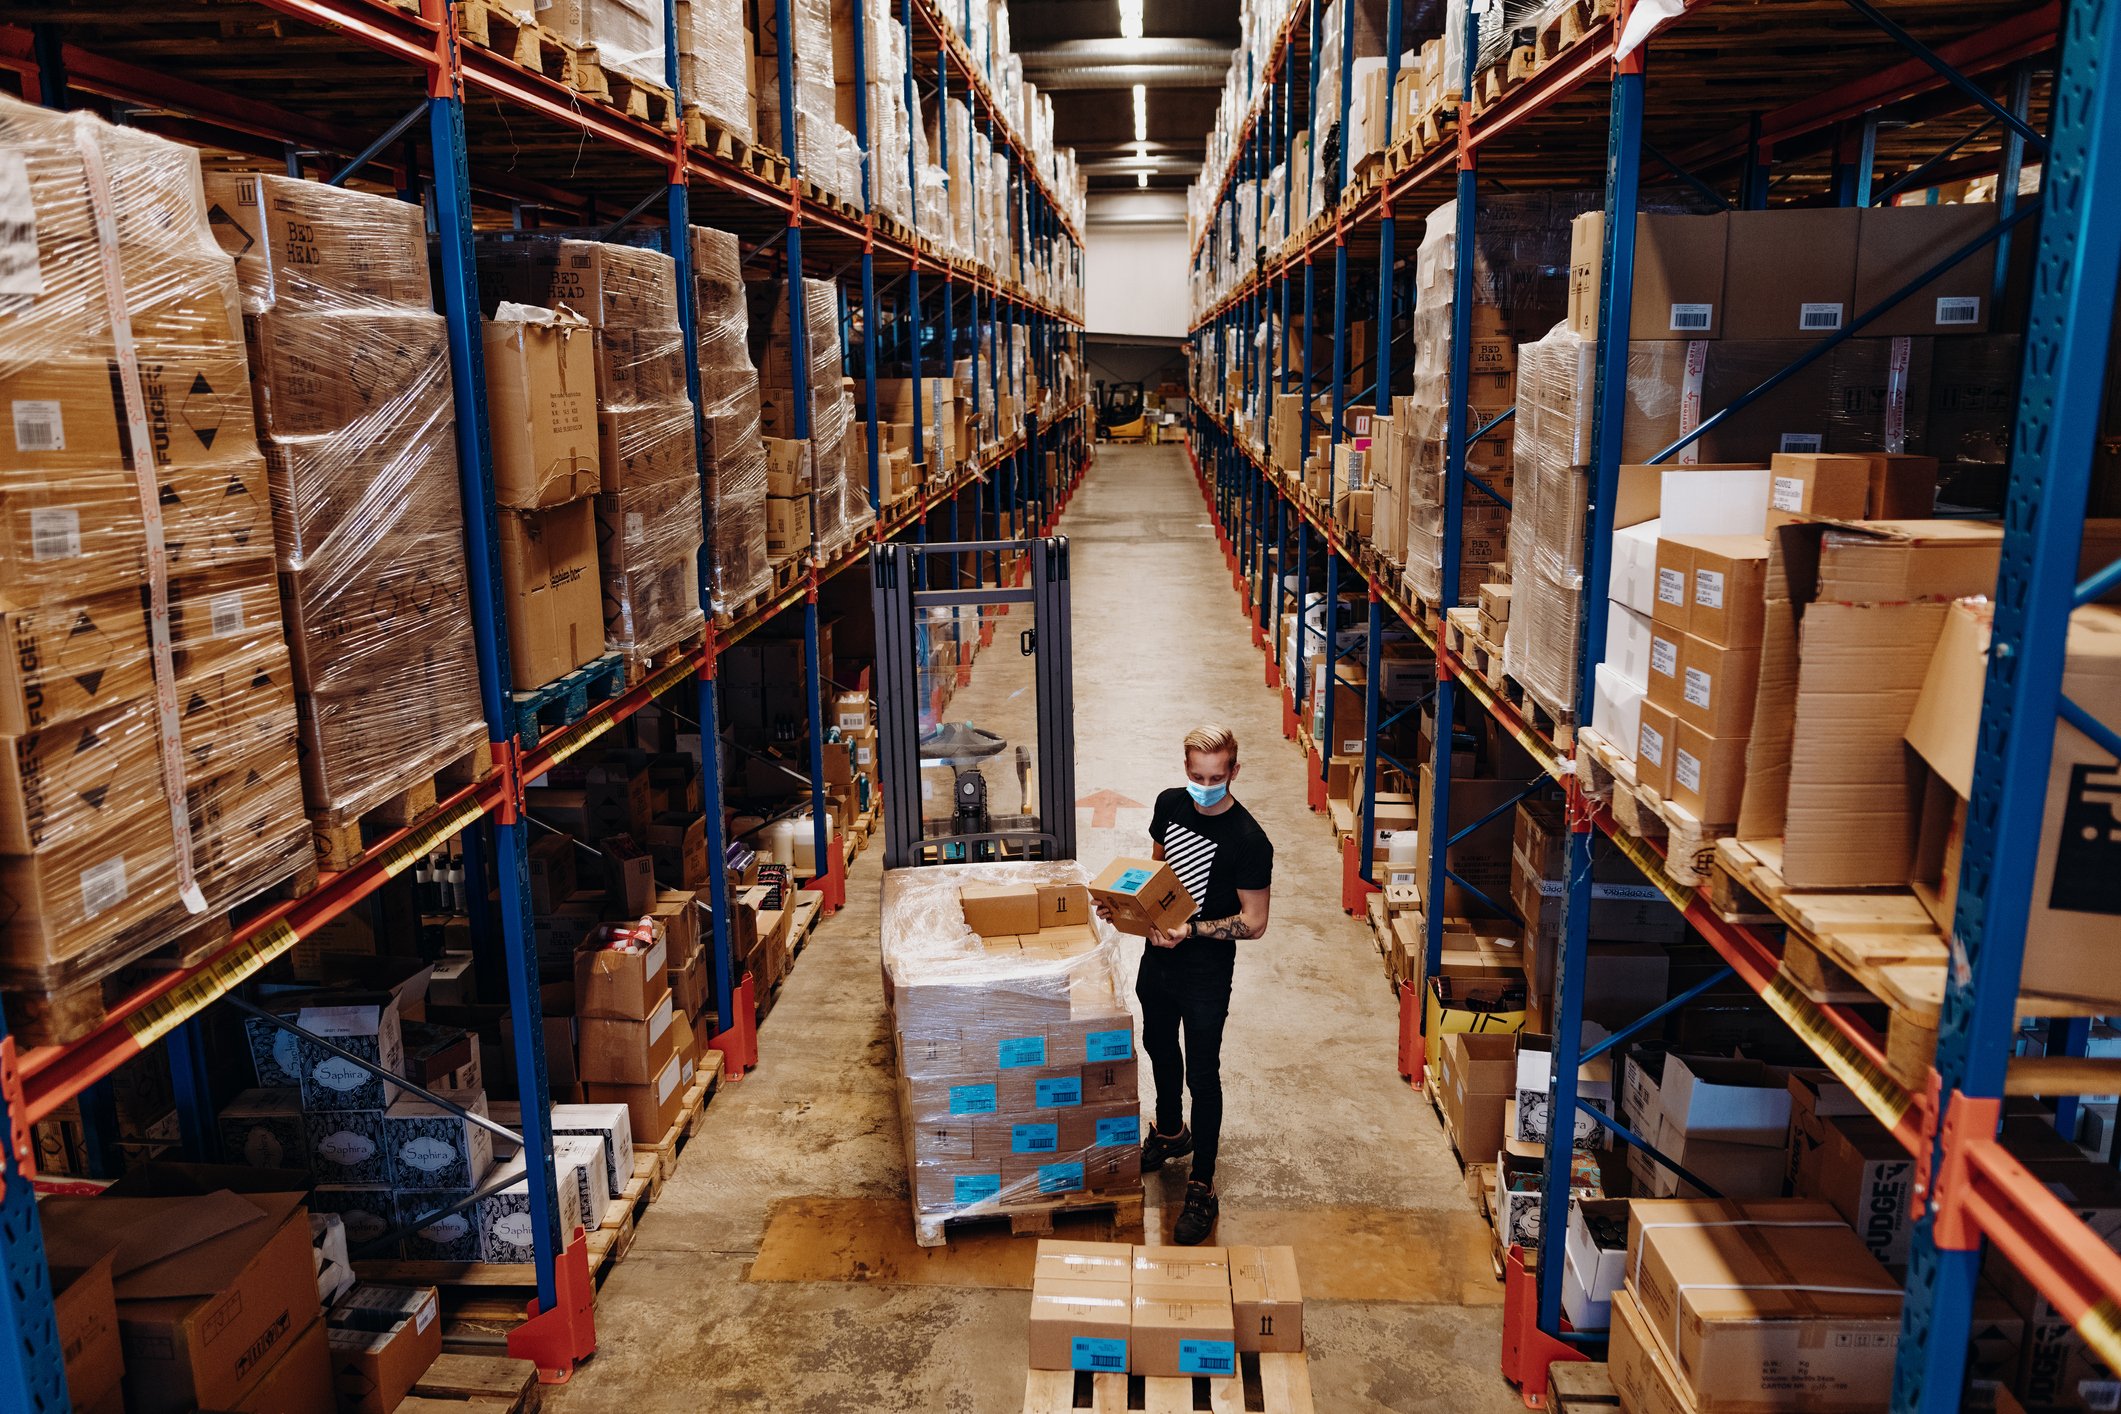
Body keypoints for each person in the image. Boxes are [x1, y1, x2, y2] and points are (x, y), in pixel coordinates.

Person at [1100, 723, 1273, 1246]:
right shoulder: (1170, 804)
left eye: (1215, 777)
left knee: (1202, 1069)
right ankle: (1172, 1132)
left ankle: (1202, 1182)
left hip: (1204, 970)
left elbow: (1255, 921)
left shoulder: (1248, 840)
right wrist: (1123, 906)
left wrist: (1192, 931)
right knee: (1156, 1044)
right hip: (1159, 956)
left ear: (1234, 772)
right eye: (1196, 775)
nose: (1204, 786)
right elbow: (1153, 875)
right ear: (1185, 770)